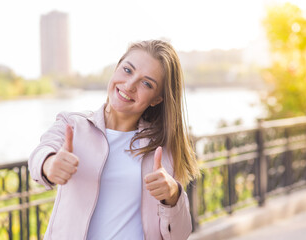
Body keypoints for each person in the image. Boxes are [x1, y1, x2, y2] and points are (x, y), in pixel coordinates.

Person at [29, 39, 200, 240]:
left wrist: (173, 196)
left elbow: (180, 234)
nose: (129, 85)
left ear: (157, 99)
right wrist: (49, 164)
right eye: (127, 70)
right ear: (116, 68)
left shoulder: (161, 150)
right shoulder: (73, 125)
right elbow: (40, 153)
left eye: (146, 83)